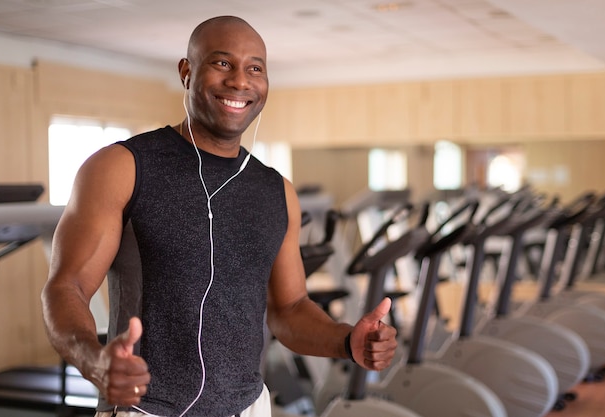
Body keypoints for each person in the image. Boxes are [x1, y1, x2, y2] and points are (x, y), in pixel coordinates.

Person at [41, 15, 397, 417]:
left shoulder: (276, 191)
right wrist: (94, 361)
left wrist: (347, 341)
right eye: (222, 63)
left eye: (255, 68)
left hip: (248, 407)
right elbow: (65, 288)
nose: (240, 82)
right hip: (147, 410)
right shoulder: (121, 168)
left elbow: (290, 308)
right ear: (186, 72)